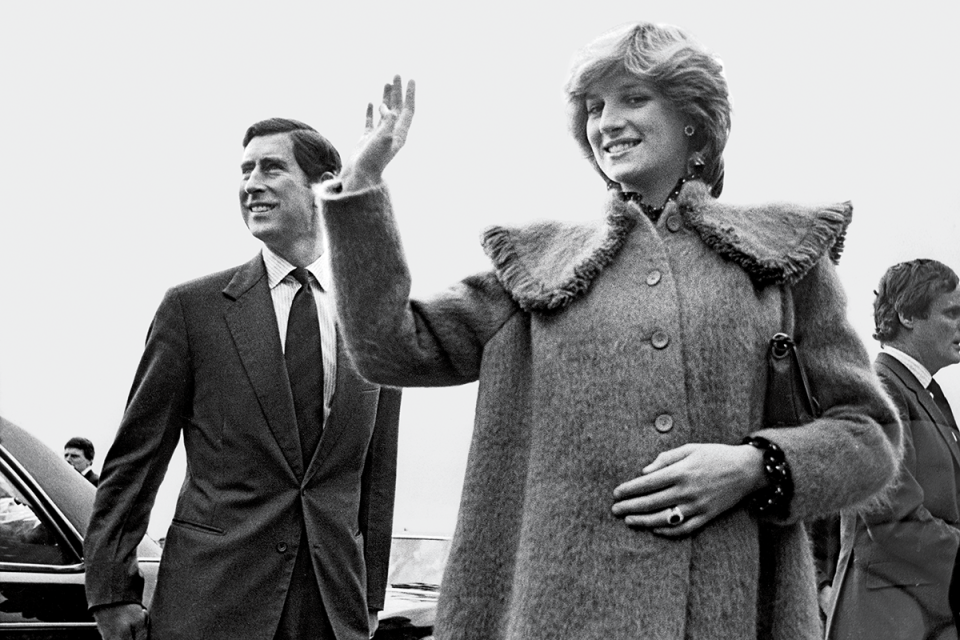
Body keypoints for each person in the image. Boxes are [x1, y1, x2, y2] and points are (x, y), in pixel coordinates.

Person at [317, 22, 902, 640]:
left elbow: (868, 438)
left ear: (693, 121)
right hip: (550, 616)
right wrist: (361, 187)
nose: (607, 121)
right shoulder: (538, 265)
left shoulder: (783, 259)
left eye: (633, 98)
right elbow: (388, 346)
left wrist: (755, 465)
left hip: (728, 614)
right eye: (595, 108)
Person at [83, 118, 402, 640]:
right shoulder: (192, 310)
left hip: (329, 611)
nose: (250, 183)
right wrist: (112, 590)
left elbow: (376, 475)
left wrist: (368, 596)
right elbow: (135, 460)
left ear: (324, 185)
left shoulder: (375, 314)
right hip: (210, 605)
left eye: (271, 168)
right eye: (245, 170)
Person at [826, 259, 960, 640]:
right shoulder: (880, 389)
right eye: (952, 312)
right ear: (906, 315)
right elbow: (894, 519)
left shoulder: (926, 395)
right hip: (884, 619)